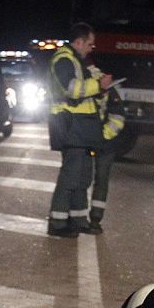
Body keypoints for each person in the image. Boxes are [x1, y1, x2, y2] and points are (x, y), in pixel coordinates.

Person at [45, 23, 112, 237]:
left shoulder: (77, 61)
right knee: (70, 178)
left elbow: (83, 92)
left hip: (81, 128)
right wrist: (98, 86)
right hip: (69, 126)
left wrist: (100, 91)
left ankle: (78, 220)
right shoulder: (63, 59)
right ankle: (57, 224)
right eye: (89, 44)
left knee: (82, 177)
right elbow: (72, 89)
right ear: (78, 42)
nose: (91, 48)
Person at [88, 86, 127, 234]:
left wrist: (102, 136)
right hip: (91, 142)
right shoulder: (86, 87)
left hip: (105, 144)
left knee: (101, 179)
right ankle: (80, 218)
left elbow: (118, 117)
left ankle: (95, 219)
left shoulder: (110, 92)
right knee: (83, 179)